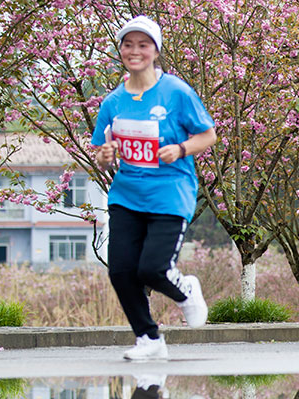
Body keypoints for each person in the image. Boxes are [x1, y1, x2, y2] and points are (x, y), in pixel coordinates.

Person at [92, 16, 217, 360]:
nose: (135, 51)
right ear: (120, 51)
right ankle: (148, 338)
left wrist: (180, 149)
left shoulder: (175, 92)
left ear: (155, 51)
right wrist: (105, 155)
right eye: (128, 45)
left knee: (152, 268)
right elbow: (103, 155)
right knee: (120, 270)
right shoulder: (113, 102)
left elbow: (208, 134)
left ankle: (186, 289)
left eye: (143, 45)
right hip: (127, 194)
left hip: (170, 192)